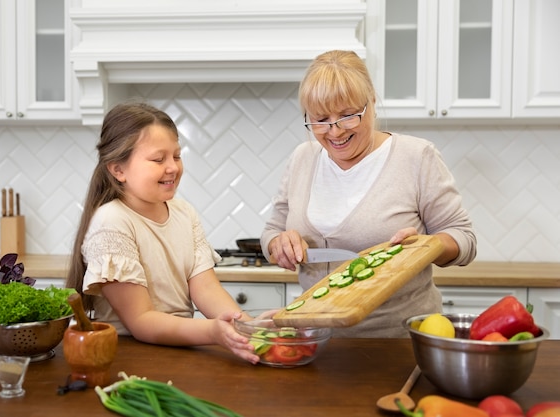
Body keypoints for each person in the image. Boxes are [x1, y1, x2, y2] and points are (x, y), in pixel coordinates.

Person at [261, 50, 477, 338]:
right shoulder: (303, 157)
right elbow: (272, 230)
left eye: (349, 116)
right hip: (315, 339)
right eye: (320, 119)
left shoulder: (416, 157)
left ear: (372, 101)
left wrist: (425, 247)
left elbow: (464, 237)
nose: (335, 131)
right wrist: (279, 244)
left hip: (396, 342)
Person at [66, 100, 259, 363]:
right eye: (159, 159)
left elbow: (206, 290)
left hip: (178, 351)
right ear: (118, 169)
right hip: (130, 357)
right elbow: (141, 321)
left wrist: (251, 329)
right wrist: (213, 331)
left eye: (177, 156)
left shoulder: (183, 212)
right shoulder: (112, 221)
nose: (173, 167)